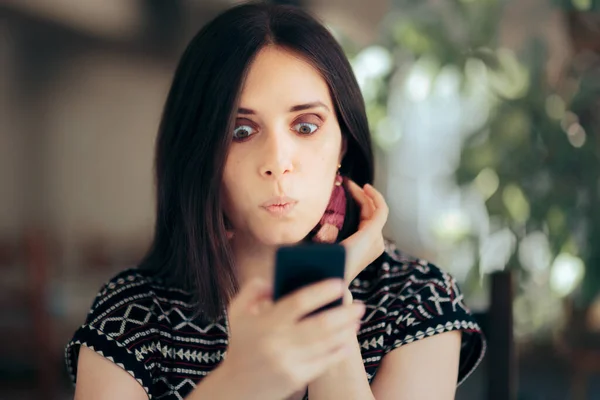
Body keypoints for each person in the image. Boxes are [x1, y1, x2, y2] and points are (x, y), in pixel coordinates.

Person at [65, 2, 485, 399]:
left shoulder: (414, 297)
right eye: (241, 131)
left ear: (343, 145)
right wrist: (241, 380)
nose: (277, 164)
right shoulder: (133, 315)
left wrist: (323, 286)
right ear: (198, 156)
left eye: (305, 126)